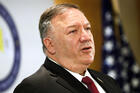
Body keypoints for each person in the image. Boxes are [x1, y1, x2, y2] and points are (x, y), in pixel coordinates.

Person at [14, 3, 122, 93]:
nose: (86, 37)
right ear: (50, 44)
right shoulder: (33, 89)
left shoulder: (109, 82)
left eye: (87, 28)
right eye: (73, 31)